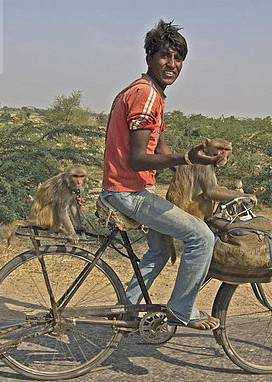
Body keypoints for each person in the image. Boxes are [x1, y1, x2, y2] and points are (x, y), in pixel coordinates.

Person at [100, 19, 224, 330]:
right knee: (201, 237)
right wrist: (185, 157)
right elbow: (141, 159)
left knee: (158, 249)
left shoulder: (149, 92)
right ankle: (182, 308)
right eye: (164, 56)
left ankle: (127, 310)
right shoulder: (147, 95)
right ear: (149, 58)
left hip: (128, 189)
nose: (172, 64)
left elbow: (162, 151)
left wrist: (200, 160)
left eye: (178, 58)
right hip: (129, 193)